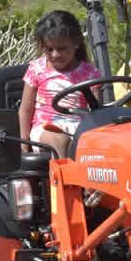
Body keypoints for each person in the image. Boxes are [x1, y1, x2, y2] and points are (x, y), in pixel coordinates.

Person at [18, 10, 101, 158]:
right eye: (49, 49)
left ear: (76, 44)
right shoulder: (37, 69)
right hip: (46, 127)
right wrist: (24, 144)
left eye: (62, 48)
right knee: (60, 141)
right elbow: (26, 109)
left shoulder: (89, 73)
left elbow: (96, 111)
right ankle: (64, 180)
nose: (55, 55)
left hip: (79, 127)